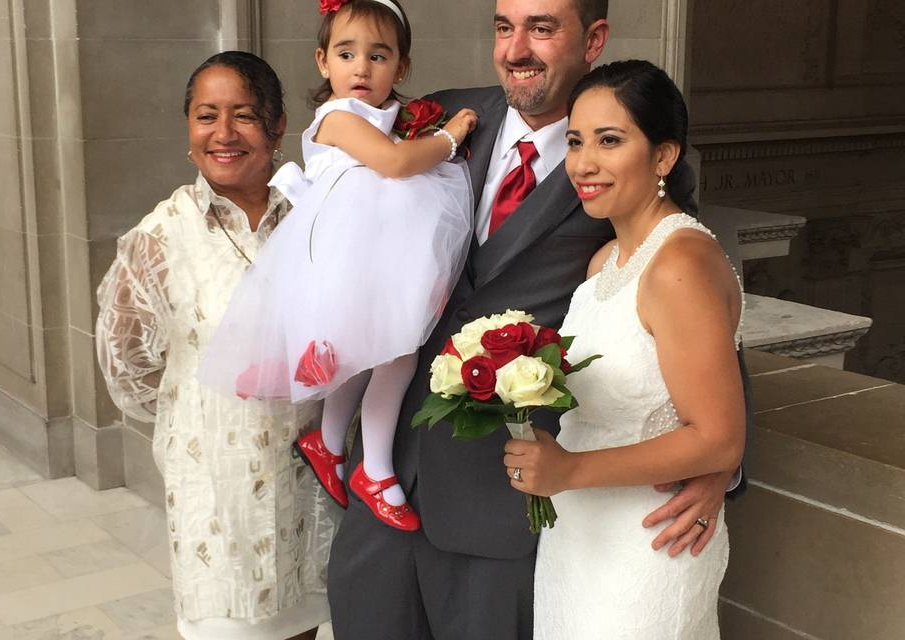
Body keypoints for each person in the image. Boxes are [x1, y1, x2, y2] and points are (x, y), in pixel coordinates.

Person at [327, 1, 750, 638]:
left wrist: (720, 465)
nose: (516, 49)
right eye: (504, 27)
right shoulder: (440, 119)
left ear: (594, 38)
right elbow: (340, 163)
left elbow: (698, 293)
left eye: (543, 27)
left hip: (506, 503)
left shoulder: (626, 167)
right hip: (385, 480)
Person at [198, 0, 477, 532]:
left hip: (374, 261)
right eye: (347, 54)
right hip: (346, 263)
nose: (362, 68)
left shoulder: (385, 117)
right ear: (323, 62)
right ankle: (376, 470)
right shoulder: (339, 116)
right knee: (395, 358)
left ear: (402, 66)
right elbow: (395, 164)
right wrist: (449, 137)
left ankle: (327, 443)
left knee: (368, 357)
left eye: (378, 55)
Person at [95, 52, 338, 640]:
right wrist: (205, 415)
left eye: (245, 116)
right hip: (218, 497)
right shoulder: (161, 237)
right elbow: (127, 369)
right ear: (188, 126)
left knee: (307, 621)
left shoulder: (316, 216)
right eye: (207, 116)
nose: (223, 134)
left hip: (309, 486)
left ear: (278, 127)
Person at [504, 59, 744, 639]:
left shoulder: (680, 263)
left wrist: (568, 468)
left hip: (648, 544)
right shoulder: (603, 263)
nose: (584, 164)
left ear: (664, 156)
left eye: (610, 141)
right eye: (576, 141)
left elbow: (718, 436)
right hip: (579, 539)